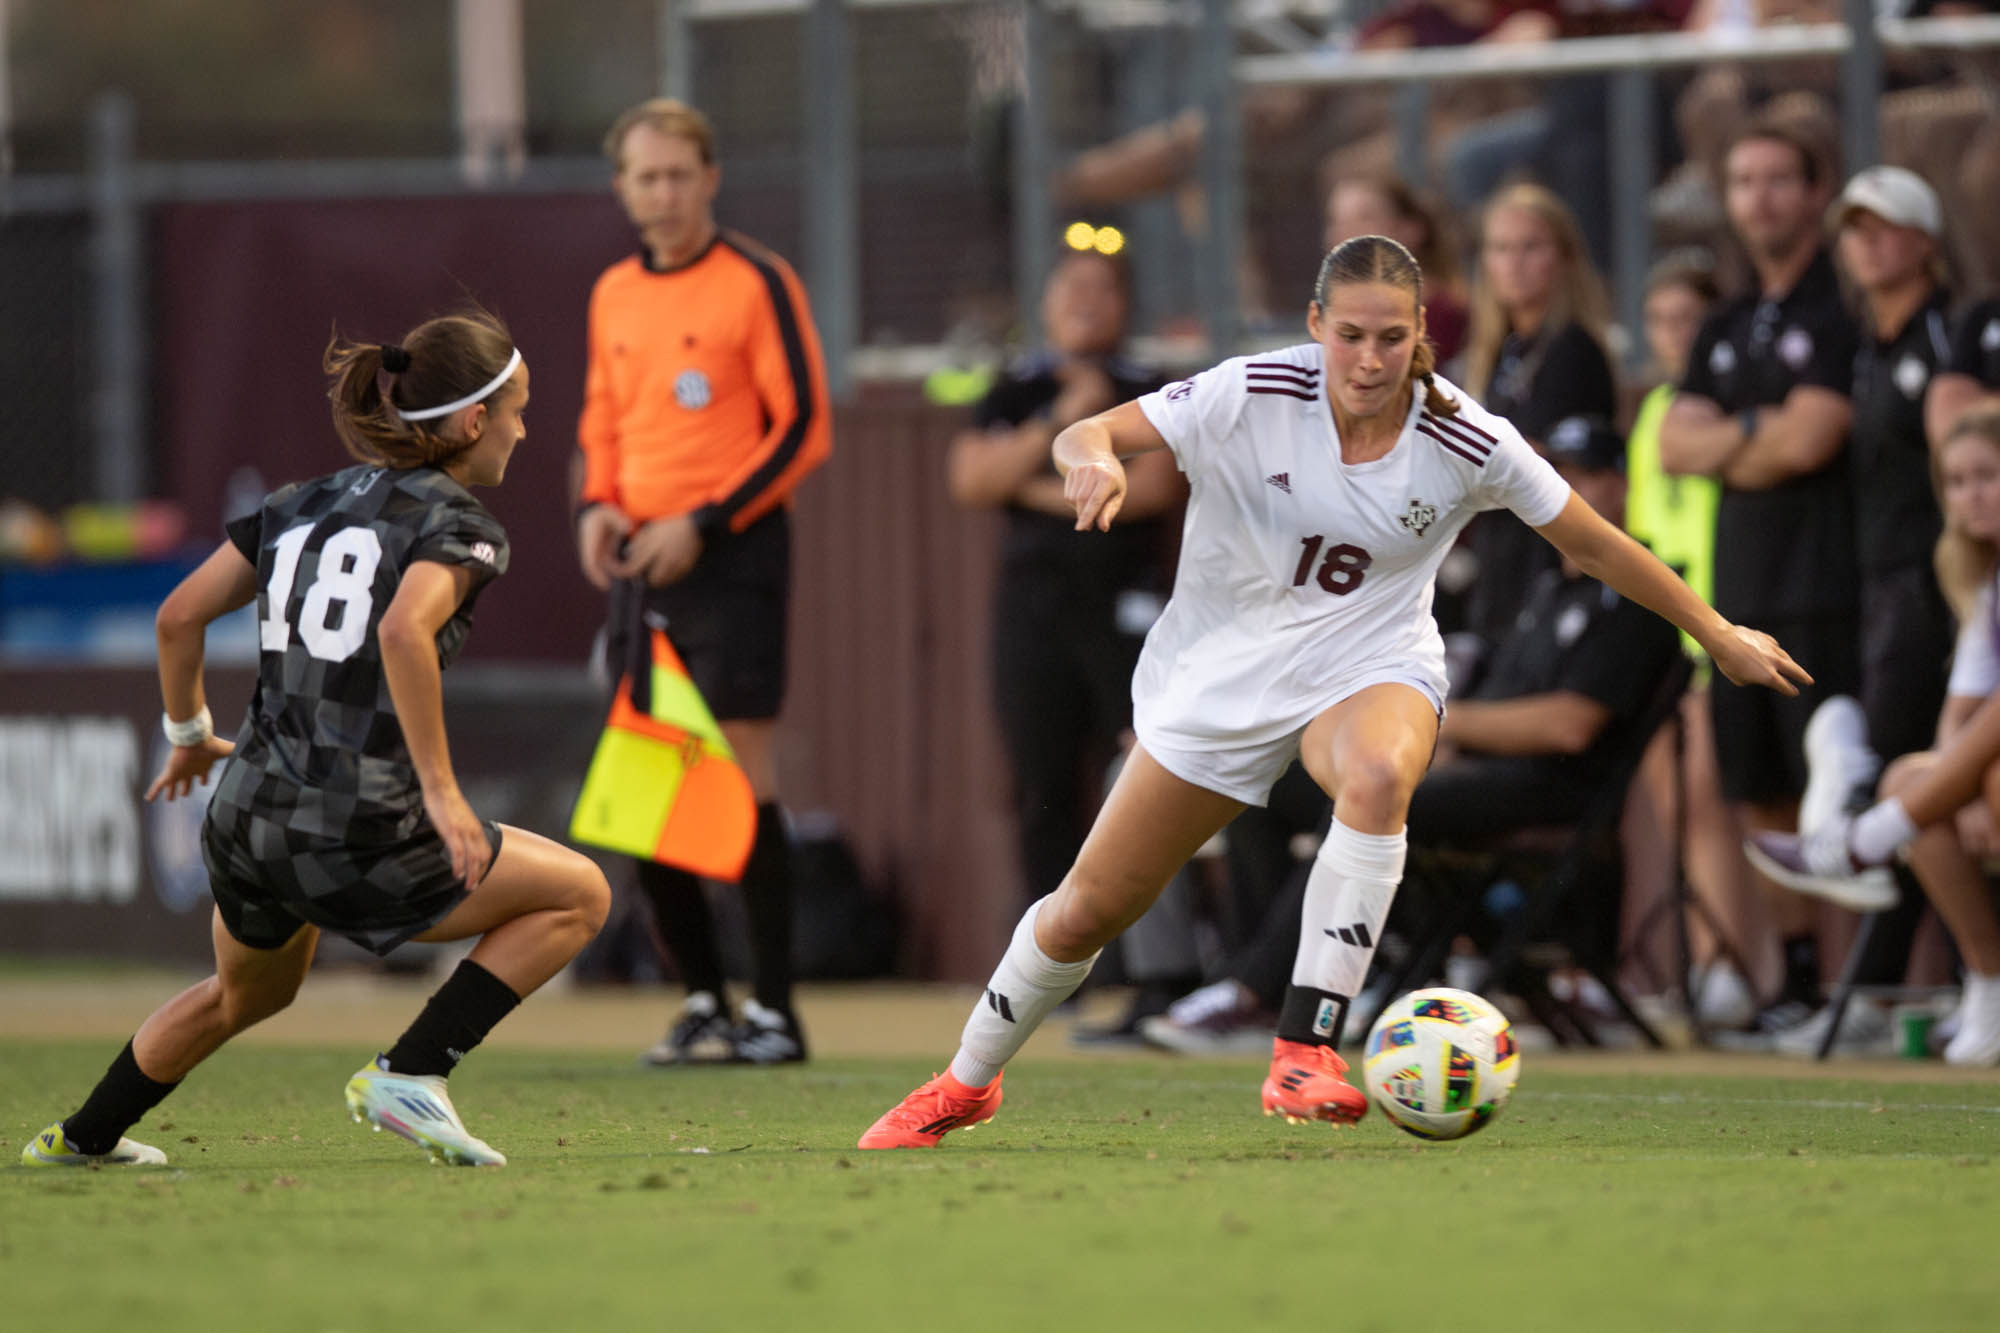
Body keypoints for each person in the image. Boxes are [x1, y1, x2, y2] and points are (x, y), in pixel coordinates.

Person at [855, 233, 1808, 1149]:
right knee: (1084, 912)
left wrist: (1716, 632)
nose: (1369, 357)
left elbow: (1595, 540)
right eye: (1350, 333)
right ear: (1315, 324)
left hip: (1369, 664)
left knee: (1383, 772)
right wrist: (1093, 459)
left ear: (1419, 333)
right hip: (1223, 678)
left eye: (1392, 337)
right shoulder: (1249, 391)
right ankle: (965, 1082)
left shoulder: (1466, 436)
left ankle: (1305, 1047)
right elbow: (1087, 428)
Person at [21, 311, 612, 1169]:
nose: (525, 430)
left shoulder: (300, 502)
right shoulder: (460, 523)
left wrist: (187, 733)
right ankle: (412, 1069)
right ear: (475, 419)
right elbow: (406, 633)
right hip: (358, 831)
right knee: (581, 894)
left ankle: (82, 1137)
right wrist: (443, 795)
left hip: (246, 820)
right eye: (518, 410)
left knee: (243, 993)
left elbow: (177, 617)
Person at [1140, 416, 1683, 1053]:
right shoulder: (1541, 589)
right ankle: (1249, 978)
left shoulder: (1634, 594)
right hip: (1470, 770)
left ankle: (1264, 996)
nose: (1571, 487)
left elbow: (1569, 725)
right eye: (1559, 472)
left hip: (1547, 790)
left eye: (1589, 473)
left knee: (1374, 796)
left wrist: (1441, 723)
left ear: (1621, 485)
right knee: (1267, 786)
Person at [575, 98, 832, 1066]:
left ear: (710, 178)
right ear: (623, 188)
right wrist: (596, 505)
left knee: (737, 770)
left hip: (734, 553)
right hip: (643, 556)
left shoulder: (755, 281)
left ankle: (773, 1008)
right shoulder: (613, 292)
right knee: (648, 784)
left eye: (680, 173)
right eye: (646, 176)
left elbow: (802, 425)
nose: (665, 193)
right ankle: (699, 999)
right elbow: (603, 418)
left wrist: (706, 521)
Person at [1658, 112, 1863, 1036]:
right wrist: (1758, 435)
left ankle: (1867, 986)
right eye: (1744, 182)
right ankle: (1801, 987)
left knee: (1833, 781)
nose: (1761, 199)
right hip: (1742, 592)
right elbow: (1673, 441)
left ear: (1817, 193)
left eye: (1780, 179)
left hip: (1824, 581)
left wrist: (1732, 437)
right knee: (1762, 789)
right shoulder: (1730, 320)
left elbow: (1815, 438)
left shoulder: (1839, 307)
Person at [1760, 165, 1962, 1055]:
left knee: (1910, 776)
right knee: (1908, 783)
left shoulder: (1955, 333)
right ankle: (1895, 986)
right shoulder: (1868, 349)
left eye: (1885, 226)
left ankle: (1877, 987)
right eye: (1854, 228)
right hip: (1879, 586)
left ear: (1924, 238)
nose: (1867, 242)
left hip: (1942, 586)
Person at [1748, 408, 2000, 1066]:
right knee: (1911, 779)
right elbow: (1965, 706)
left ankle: (1867, 838)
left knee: (1969, 780)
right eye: (1958, 480)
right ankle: (1990, 985)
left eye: (1987, 476)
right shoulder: (1977, 574)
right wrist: (1953, 784)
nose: (1971, 493)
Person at [1455, 183, 1619, 654]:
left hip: (1548, 556)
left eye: (1531, 247)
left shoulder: (1574, 350)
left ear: (1563, 257)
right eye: (1501, 249)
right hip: (1497, 555)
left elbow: (1565, 458)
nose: (1515, 263)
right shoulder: (1499, 353)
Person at [1322, 173, 1469, 367]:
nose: (1346, 233)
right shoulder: (1330, 323)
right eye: (1337, 222)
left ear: (1411, 229)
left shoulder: (1447, 317)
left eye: (1364, 218)